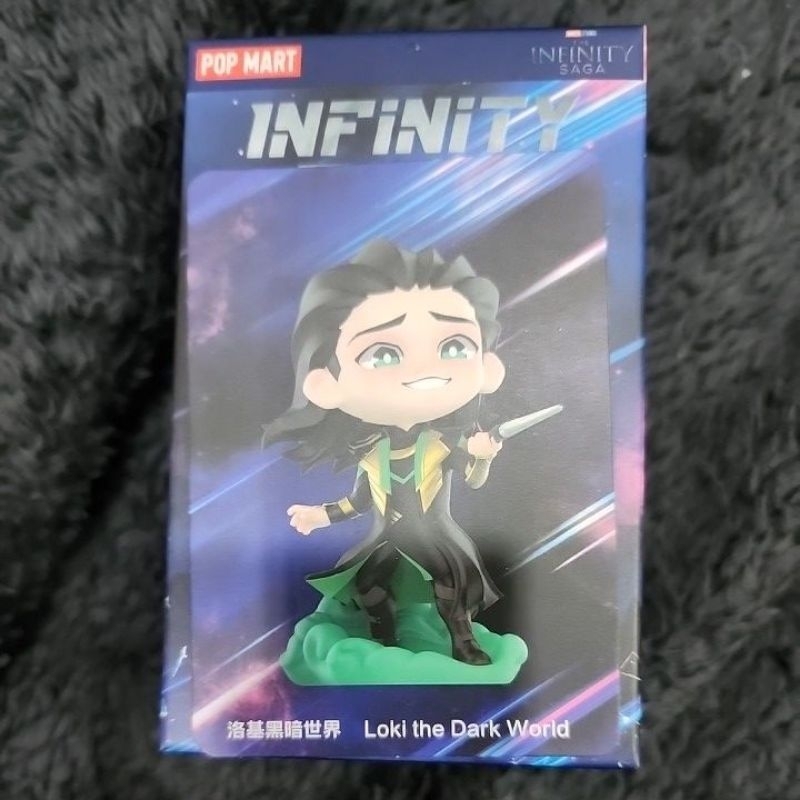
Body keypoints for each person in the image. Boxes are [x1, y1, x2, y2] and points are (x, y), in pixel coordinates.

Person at [262, 239, 507, 665]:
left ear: (487, 366)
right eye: (383, 354)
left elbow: (472, 480)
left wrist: (481, 456)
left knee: (449, 586)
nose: (423, 370)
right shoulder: (372, 454)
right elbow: (359, 501)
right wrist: (319, 515)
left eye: (454, 347)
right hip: (387, 537)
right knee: (368, 587)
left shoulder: (441, 445)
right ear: (325, 383)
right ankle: (384, 638)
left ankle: (462, 640)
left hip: (434, 536)